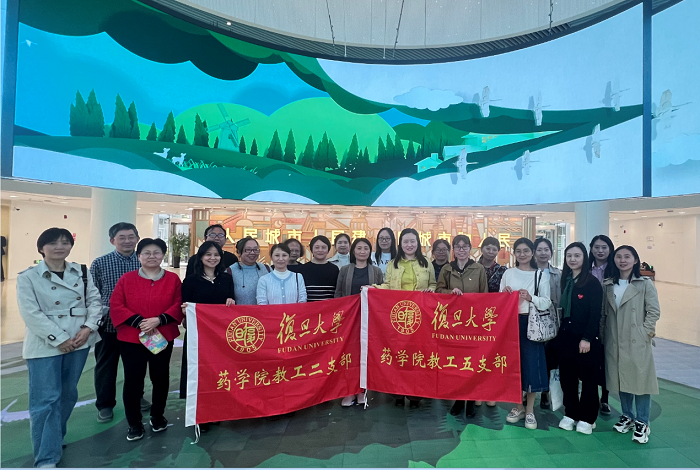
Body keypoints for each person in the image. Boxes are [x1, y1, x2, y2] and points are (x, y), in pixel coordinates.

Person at [17, 227, 102, 468]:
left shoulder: (81, 271)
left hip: (79, 340)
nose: (60, 247)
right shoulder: (28, 277)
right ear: (41, 248)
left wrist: (88, 328)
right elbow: (30, 313)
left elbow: (95, 301)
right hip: (44, 344)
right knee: (46, 399)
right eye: (53, 243)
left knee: (67, 394)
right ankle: (46, 457)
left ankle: (54, 437)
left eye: (65, 242)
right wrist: (59, 338)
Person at [110, 238, 183, 442]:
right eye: (147, 253)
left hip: (162, 336)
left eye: (157, 252)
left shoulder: (172, 279)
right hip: (132, 339)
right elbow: (116, 304)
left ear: (163, 255)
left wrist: (159, 320)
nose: (152, 256)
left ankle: (157, 416)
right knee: (133, 380)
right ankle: (134, 423)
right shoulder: (126, 279)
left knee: (160, 378)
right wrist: (140, 322)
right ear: (139, 256)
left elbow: (178, 303)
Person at [601, 245, 660, 444]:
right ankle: (627, 415)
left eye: (627, 257)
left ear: (635, 260)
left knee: (641, 382)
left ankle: (643, 421)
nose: (622, 260)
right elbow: (604, 313)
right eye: (619, 257)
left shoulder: (644, 284)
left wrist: (645, 332)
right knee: (622, 379)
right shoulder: (608, 285)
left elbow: (653, 311)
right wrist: (603, 335)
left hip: (636, 340)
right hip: (614, 339)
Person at [90, 222, 145, 424]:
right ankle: (105, 404)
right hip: (108, 325)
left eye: (131, 237)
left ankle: (137, 397)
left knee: (136, 367)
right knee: (106, 366)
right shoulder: (100, 263)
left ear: (137, 239)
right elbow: (92, 294)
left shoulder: (144, 261)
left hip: (138, 325)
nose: (127, 241)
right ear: (112, 240)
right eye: (122, 237)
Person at [375, 228, 436, 408]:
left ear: (418, 243)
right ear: (400, 244)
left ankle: (416, 395)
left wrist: (431, 290)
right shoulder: (392, 264)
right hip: (399, 317)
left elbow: (433, 284)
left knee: (418, 354)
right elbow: (387, 285)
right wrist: (372, 288)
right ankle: (397, 393)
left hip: (421, 317)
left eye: (412, 241)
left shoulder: (426, 263)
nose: (409, 245)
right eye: (406, 242)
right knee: (398, 353)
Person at [502, 237, 551, 430]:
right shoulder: (508, 273)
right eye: (518, 251)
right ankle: (518, 407)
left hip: (532, 324)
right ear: (514, 253)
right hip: (511, 324)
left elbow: (546, 302)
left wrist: (531, 298)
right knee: (514, 366)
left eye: (526, 251)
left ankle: (530, 410)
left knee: (532, 366)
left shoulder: (540, 275)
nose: (522, 254)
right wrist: (505, 294)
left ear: (532, 253)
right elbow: (499, 300)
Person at [436, 235, 488, 418]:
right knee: (457, 363)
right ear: (453, 250)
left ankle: (471, 401)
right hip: (453, 324)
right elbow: (438, 291)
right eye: (457, 247)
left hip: (473, 323)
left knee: (472, 363)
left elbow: (484, 295)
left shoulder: (479, 269)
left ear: (470, 248)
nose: (461, 250)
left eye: (465, 246)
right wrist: (451, 292)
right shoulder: (447, 269)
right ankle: (458, 399)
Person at [555, 242, 603, 435]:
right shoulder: (566, 280)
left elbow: (595, 314)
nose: (572, 259)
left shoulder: (592, 283)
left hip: (585, 339)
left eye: (577, 255)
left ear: (584, 258)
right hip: (566, 336)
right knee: (568, 378)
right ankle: (571, 413)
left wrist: (587, 338)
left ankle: (588, 417)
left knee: (588, 379)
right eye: (569, 256)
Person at [179, 242, 235, 404]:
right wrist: (185, 310)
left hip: (221, 335)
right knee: (197, 367)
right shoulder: (191, 280)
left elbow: (232, 301)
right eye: (208, 254)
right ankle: (197, 404)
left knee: (220, 367)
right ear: (201, 257)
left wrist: (231, 302)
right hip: (198, 334)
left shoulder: (226, 279)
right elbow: (184, 305)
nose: (212, 258)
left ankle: (219, 402)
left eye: (216, 255)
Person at [335, 238, 383, 407]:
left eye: (366, 248)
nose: (362, 251)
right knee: (349, 355)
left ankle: (362, 390)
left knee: (365, 355)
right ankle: (349, 391)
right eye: (359, 248)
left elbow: (382, 295)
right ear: (353, 251)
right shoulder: (345, 270)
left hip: (368, 320)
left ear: (370, 252)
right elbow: (338, 294)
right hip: (349, 319)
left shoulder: (376, 271)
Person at [474, 236, 507, 408]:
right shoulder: (471, 267)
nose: (491, 251)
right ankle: (477, 391)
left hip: (494, 319)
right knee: (476, 356)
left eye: (494, 249)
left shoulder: (503, 271)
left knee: (492, 355)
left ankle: (491, 392)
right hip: (473, 318)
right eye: (488, 248)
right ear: (482, 249)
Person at [533, 237, 562, 410]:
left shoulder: (558, 274)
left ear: (551, 252)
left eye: (546, 249)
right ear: (534, 252)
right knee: (532, 357)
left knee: (549, 358)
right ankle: (528, 390)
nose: (543, 253)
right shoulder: (528, 271)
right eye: (539, 249)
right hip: (531, 321)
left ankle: (545, 391)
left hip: (552, 322)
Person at [589, 234, 615, 414]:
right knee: (591, 359)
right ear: (591, 249)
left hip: (609, 319)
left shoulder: (615, 270)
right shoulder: (586, 269)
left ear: (610, 249)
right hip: (589, 319)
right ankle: (590, 395)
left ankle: (604, 398)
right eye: (597, 247)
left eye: (604, 247)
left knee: (606, 360)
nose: (600, 250)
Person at [298, 235, 339, 302]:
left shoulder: (334, 269)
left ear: (328, 250)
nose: (320, 250)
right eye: (317, 247)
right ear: (311, 249)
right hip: (309, 307)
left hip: (329, 307)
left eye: (323, 247)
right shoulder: (302, 269)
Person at [230, 237, 270, 305]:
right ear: (239, 252)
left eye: (256, 249)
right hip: (240, 312)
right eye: (248, 250)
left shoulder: (267, 269)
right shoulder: (230, 271)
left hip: (264, 311)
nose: (252, 253)